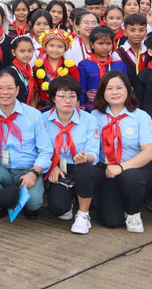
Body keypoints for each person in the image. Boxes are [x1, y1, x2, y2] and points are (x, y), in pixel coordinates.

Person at [0, 68, 52, 220]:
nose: (5, 92)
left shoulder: (34, 115)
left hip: (27, 169)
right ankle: (1, 203)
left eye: (9, 88)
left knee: (34, 204)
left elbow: (46, 150)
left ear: (17, 90)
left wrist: (34, 173)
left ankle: (21, 201)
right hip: (1, 169)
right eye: (0, 88)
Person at [90, 71, 152, 232]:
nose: (115, 92)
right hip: (107, 170)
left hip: (135, 170)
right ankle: (119, 205)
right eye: (109, 89)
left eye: (119, 88)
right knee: (111, 221)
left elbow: (150, 152)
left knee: (130, 177)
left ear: (128, 90)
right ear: (102, 92)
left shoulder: (141, 116)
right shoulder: (94, 116)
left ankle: (134, 211)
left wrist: (121, 167)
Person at [43, 77, 100, 234]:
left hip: (82, 167)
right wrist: (52, 166)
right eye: (62, 96)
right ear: (53, 98)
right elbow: (39, 149)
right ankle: (71, 198)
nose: (68, 100)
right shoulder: (43, 119)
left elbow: (94, 153)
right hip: (59, 167)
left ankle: (83, 215)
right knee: (59, 209)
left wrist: (85, 158)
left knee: (85, 169)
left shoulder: (89, 120)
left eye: (72, 96)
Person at [78, 26, 127, 112]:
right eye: (100, 43)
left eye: (108, 43)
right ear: (92, 44)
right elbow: (82, 89)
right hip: (91, 109)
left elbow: (125, 87)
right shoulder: (84, 64)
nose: (105, 47)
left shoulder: (119, 64)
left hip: (115, 108)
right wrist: (82, 108)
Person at [32, 29, 78, 110]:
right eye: (51, 45)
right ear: (45, 47)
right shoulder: (37, 67)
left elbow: (76, 91)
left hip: (66, 109)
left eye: (60, 47)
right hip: (43, 108)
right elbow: (35, 93)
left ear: (65, 49)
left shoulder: (71, 67)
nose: (55, 50)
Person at [117, 13, 148, 83]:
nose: (137, 34)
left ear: (146, 32)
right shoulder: (118, 54)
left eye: (141, 30)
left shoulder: (150, 51)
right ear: (125, 32)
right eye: (132, 30)